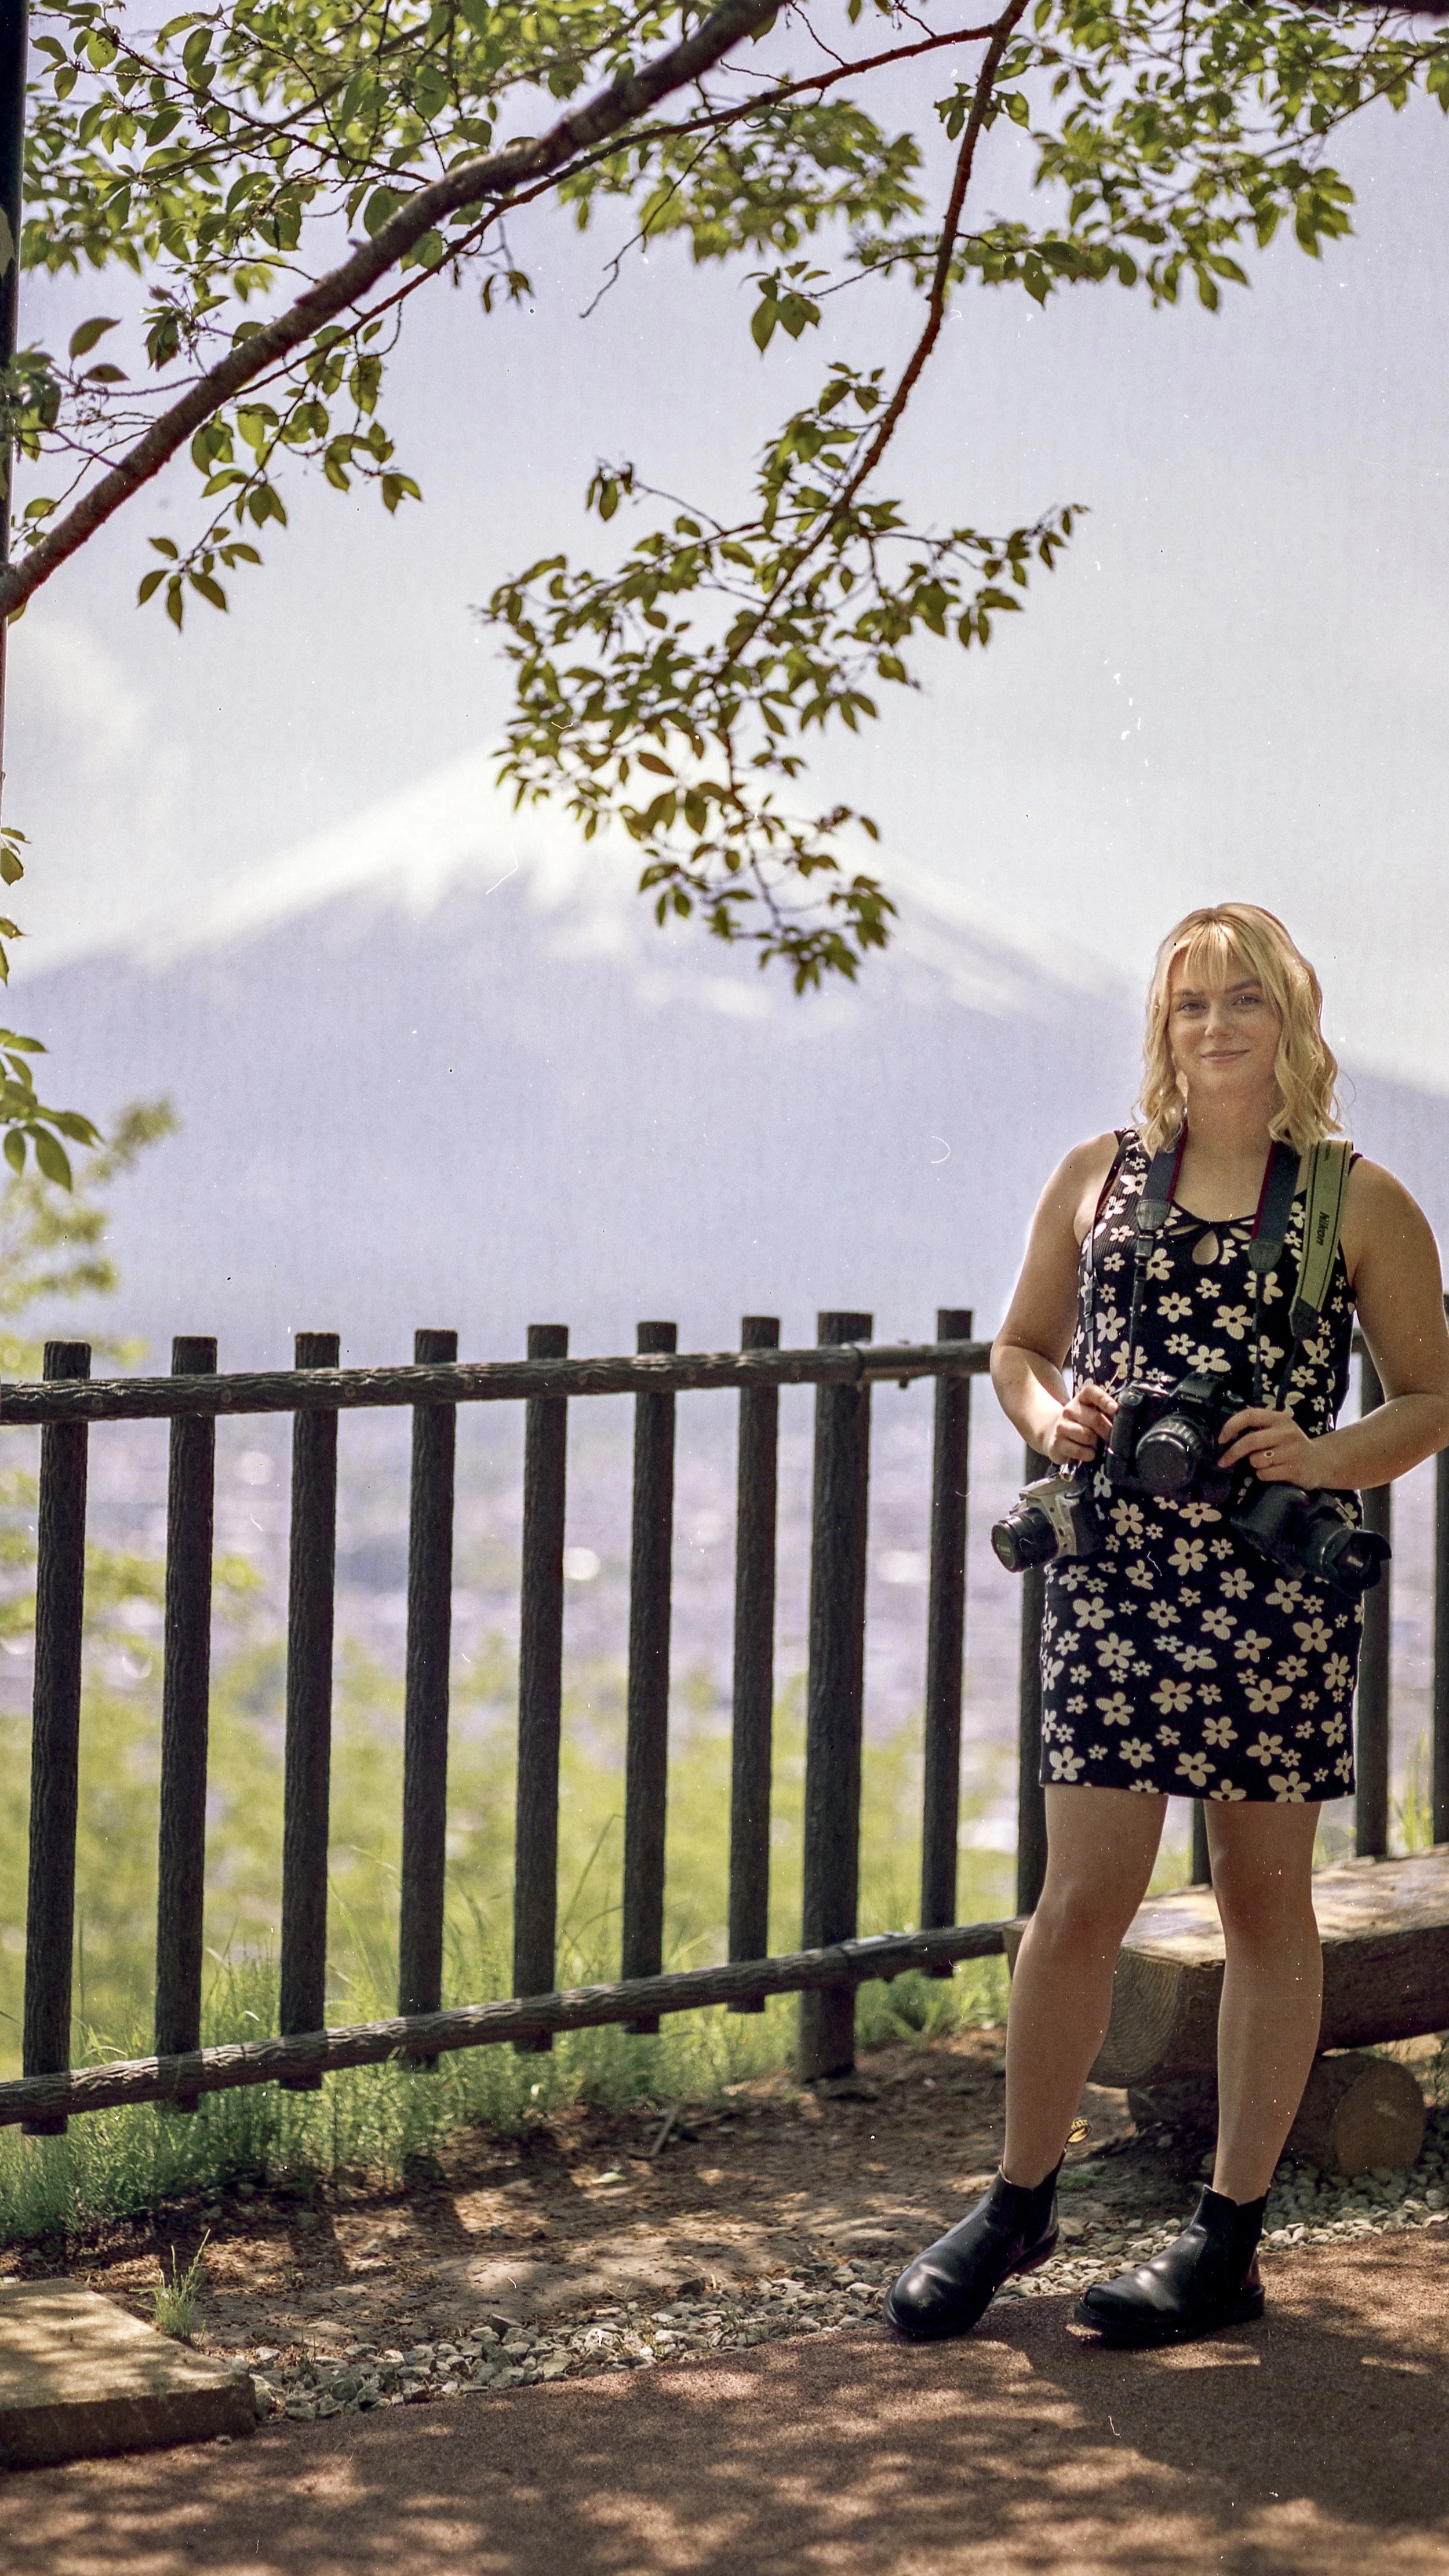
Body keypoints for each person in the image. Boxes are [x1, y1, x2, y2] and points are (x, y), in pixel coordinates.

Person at [886, 903, 1449, 2348]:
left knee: (1263, 1900)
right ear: (1161, 1025)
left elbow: (1427, 1399)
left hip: (1270, 1586)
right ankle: (1018, 2200)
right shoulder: (1096, 1175)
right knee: (1079, 1897)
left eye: (1241, 999)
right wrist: (1049, 1416)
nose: (1212, 1024)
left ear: (1290, 1019)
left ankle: (1225, 2236)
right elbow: (1019, 1348)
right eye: (1188, 1001)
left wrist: (1319, 1454)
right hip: (1115, 1572)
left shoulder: (1352, 1198)